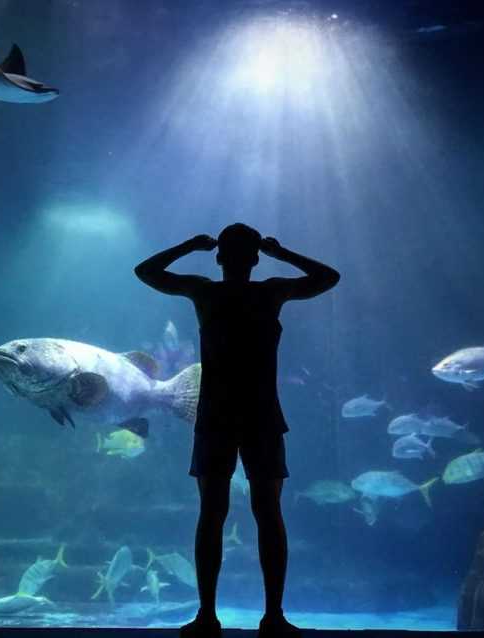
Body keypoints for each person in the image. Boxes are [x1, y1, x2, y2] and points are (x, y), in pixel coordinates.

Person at [134, 223, 340, 638]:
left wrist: (188, 244)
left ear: (219, 257)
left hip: (216, 417)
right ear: (256, 258)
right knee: (269, 514)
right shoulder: (271, 292)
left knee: (211, 514)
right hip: (262, 416)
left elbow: (147, 271)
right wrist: (283, 254)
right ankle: (274, 616)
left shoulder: (204, 291)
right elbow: (327, 277)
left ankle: (207, 616)